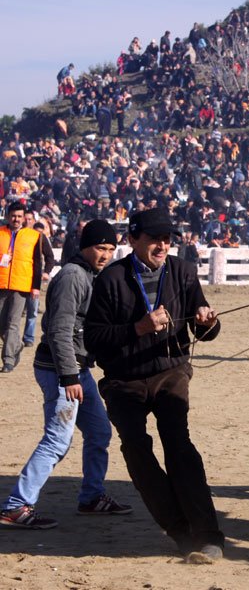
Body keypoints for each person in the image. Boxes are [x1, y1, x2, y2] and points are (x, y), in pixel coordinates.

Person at [84, 207, 224, 564]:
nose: (162, 246)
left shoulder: (183, 271)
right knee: (137, 452)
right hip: (123, 380)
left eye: (167, 239)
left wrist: (209, 322)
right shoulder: (111, 279)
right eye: (153, 239)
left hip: (170, 372)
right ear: (132, 241)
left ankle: (208, 536)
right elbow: (94, 340)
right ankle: (179, 530)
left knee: (179, 445)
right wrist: (138, 328)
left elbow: (202, 328)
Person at [0, 221, 132, 529]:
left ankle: (91, 497)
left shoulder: (90, 274)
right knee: (57, 441)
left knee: (99, 432)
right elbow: (59, 330)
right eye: (101, 248)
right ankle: (16, 506)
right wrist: (69, 376)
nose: (105, 255)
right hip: (60, 370)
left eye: (111, 250)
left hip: (76, 369)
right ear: (85, 247)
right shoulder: (73, 276)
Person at [1, 202, 43, 372]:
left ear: (24, 217)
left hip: (22, 285)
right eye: (13, 216)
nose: (16, 219)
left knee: (12, 323)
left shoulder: (33, 236)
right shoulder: (1, 233)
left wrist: (36, 286)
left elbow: (38, 263)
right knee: (2, 324)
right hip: (1, 283)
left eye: (19, 216)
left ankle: (8, 360)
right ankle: (16, 345)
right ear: (7, 216)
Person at [22, 216, 56, 347]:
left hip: (34, 279)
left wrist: (46, 271)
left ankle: (28, 337)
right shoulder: (20, 236)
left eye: (30, 219)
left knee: (32, 310)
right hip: (19, 278)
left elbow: (50, 257)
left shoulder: (41, 238)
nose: (28, 221)